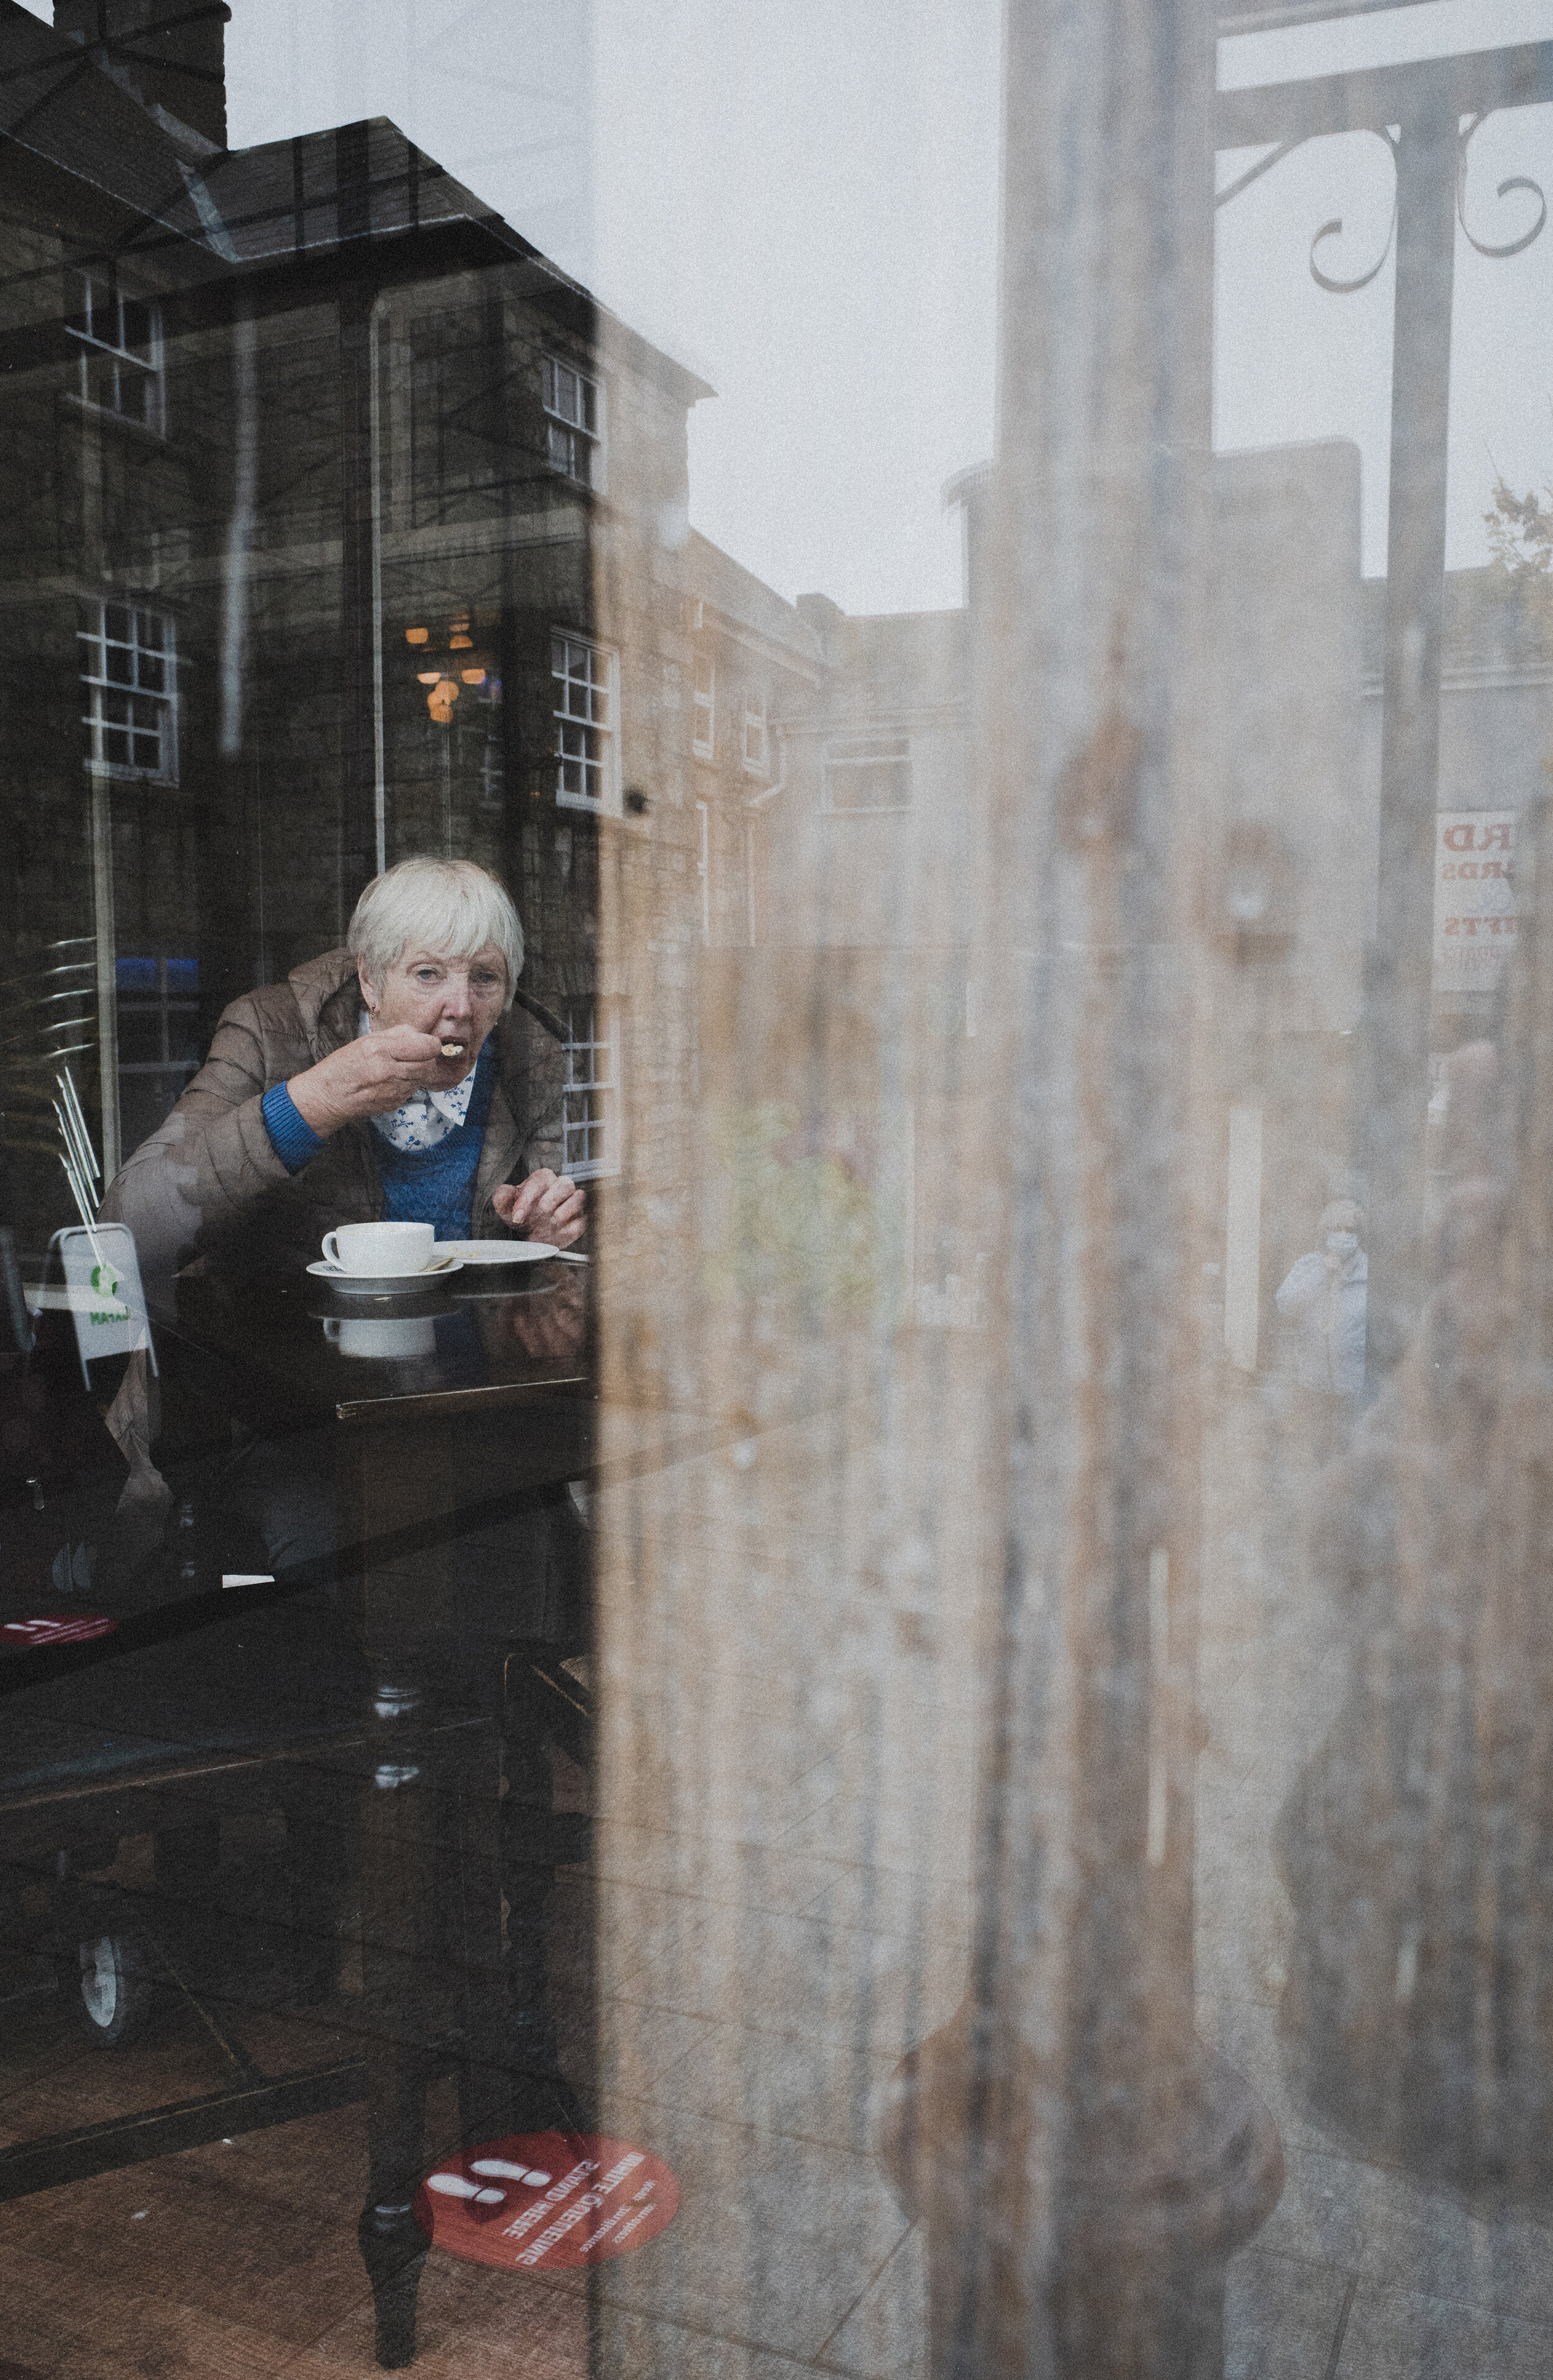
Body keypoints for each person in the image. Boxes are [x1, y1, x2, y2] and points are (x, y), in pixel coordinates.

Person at [105, 856, 584, 1275]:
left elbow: (532, 1276)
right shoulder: (268, 1033)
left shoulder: (529, 1060)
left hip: (458, 1371)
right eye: (427, 973)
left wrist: (539, 1233)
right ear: (370, 981)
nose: (461, 1006)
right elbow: (123, 1240)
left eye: (485, 977)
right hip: (290, 1363)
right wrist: (312, 1102)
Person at [1275, 1199, 1367, 1433]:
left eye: (1350, 1230)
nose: (1344, 1235)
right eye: (1337, 1229)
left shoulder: (1369, 1271)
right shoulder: (1309, 1265)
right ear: (1325, 1232)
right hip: (1313, 1384)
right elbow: (1286, 1304)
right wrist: (1323, 1273)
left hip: (1355, 1387)